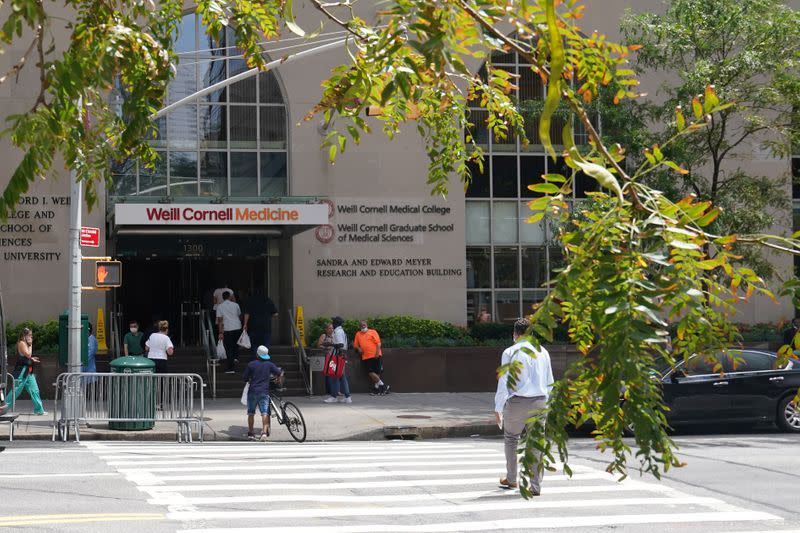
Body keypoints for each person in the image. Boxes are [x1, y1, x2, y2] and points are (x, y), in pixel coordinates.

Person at [494, 318, 553, 493]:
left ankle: (512, 479)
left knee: (512, 438)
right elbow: (550, 381)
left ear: (515, 334)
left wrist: (498, 407)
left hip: (517, 402)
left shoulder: (510, 352)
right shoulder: (543, 352)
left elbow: (504, 382)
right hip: (540, 401)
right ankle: (535, 486)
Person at [243, 345, 284, 441]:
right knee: (265, 412)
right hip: (264, 392)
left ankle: (251, 433)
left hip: (252, 391)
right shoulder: (269, 365)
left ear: (257, 354)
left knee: (251, 413)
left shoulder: (251, 364)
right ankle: (264, 433)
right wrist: (278, 380)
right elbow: (279, 373)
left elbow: (244, 378)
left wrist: (250, 379)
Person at [8, 327, 46, 415]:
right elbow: (28, 354)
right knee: (15, 391)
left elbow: (27, 357)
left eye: (31, 335)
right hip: (22, 370)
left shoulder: (25, 343)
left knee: (35, 390)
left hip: (28, 369)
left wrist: (32, 359)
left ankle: (39, 410)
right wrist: (31, 344)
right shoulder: (21, 343)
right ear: (24, 335)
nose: (31, 337)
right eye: (30, 335)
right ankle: (3, 408)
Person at [353, 320, 389, 395]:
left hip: (375, 355)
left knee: (376, 372)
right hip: (366, 356)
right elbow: (355, 345)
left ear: (367, 325)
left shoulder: (373, 332)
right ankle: (383, 386)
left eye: (364, 324)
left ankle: (377, 389)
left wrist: (377, 353)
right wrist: (359, 349)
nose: (363, 326)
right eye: (361, 325)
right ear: (359, 327)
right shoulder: (358, 334)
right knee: (370, 372)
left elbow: (378, 344)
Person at [324, 316, 351, 404]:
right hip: (341, 356)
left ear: (336, 323)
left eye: (333, 322)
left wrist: (330, 344)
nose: (332, 323)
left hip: (338, 356)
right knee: (340, 376)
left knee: (334, 376)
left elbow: (340, 345)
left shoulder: (338, 332)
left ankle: (334, 397)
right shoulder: (341, 331)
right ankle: (347, 397)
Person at [217, 290, 243, 373]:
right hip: (237, 327)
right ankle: (235, 358)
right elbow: (239, 316)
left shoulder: (220, 306)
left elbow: (220, 320)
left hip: (227, 329)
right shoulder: (236, 305)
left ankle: (230, 368)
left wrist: (220, 332)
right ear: (229, 297)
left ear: (222, 298)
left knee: (228, 348)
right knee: (236, 345)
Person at [316, 322, 335, 398]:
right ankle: (329, 390)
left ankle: (333, 390)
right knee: (328, 374)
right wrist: (326, 348)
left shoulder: (334, 336)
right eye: (330, 328)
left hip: (334, 357)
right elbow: (319, 345)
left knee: (333, 374)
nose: (331, 329)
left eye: (332, 328)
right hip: (326, 356)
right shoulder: (324, 336)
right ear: (326, 329)